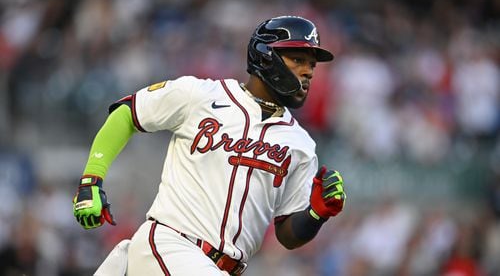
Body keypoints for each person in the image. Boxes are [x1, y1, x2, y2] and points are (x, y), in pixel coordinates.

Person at [73, 15, 347, 276]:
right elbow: (128, 113)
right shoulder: (202, 96)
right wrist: (91, 180)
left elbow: (287, 235)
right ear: (266, 56)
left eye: (312, 64)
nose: (308, 71)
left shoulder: (300, 144)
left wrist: (316, 214)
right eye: (298, 59)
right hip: (173, 244)